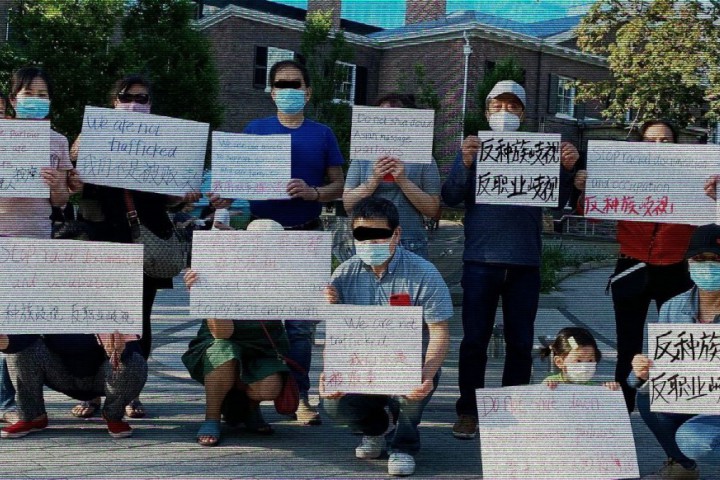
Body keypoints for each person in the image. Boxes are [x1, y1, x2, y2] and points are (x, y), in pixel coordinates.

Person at [441, 80, 579, 439]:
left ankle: (512, 410)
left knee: (521, 342)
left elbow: (558, 203)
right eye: (498, 107)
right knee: (474, 341)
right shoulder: (472, 147)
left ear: (523, 112)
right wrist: (467, 162)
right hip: (480, 260)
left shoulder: (539, 150)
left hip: (525, 263)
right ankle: (468, 411)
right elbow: (451, 196)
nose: (505, 113)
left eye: (512, 107)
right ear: (487, 112)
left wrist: (566, 170)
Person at [68, 75, 201, 419]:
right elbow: (73, 182)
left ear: (150, 105)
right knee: (96, 318)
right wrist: (77, 154)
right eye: (127, 97)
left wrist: (183, 196)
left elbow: (169, 197)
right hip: (100, 237)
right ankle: (92, 393)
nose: (134, 103)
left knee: (138, 318)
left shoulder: (163, 139)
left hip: (145, 238)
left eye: (142, 98)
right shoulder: (93, 133)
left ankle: (131, 392)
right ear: (114, 102)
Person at [237, 59, 345, 426]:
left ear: (308, 90)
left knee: (301, 325)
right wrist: (223, 197)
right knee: (258, 320)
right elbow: (233, 180)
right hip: (260, 238)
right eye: (281, 84)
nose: (288, 90)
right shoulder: (253, 130)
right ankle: (249, 399)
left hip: (306, 233)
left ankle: (298, 396)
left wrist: (314, 192)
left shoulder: (323, 133)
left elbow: (340, 185)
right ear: (271, 92)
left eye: (295, 84)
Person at [322, 197, 453, 477]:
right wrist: (330, 371)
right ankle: (376, 430)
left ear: (396, 234)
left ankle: (403, 445)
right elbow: (337, 333)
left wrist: (426, 373)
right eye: (362, 235)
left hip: (408, 363)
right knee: (332, 403)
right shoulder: (343, 274)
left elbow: (440, 332)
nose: (370, 243)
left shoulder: (424, 274)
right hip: (360, 365)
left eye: (378, 235)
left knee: (413, 393)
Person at [574, 120, 695, 413]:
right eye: (651, 140)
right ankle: (622, 411)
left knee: (677, 345)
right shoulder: (625, 174)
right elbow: (591, 215)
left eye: (665, 141)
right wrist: (585, 189)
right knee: (628, 346)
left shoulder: (692, 177)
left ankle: (674, 414)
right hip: (633, 266)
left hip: (676, 268)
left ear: (676, 145)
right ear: (640, 145)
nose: (658, 146)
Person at [0, 67, 71, 425]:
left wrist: (55, 182)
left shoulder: (57, 141)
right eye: (29, 94)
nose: (36, 101)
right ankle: (8, 400)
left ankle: (15, 401)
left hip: (36, 239)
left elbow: (60, 201)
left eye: (43, 95)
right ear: (13, 99)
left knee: (19, 321)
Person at [182, 219, 291, 446]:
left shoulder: (287, 275)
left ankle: (249, 408)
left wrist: (327, 297)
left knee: (269, 387)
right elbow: (223, 333)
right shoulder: (221, 270)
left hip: (264, 346)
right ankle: (212, 417)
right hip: (223, 342)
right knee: (224, 351)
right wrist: (205, 293)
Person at [628, 224, 720, 480]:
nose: (708, 266)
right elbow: (654, 365)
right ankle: (683, 466)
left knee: (695, 440)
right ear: (688, 262)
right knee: (647, 397)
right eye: (700, 259)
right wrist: (640, 370)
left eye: (716, 259)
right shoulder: (672, 307)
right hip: (694, 397)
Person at [342, 93, 441, 259]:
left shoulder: (425, 159)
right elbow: (348, 203)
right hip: (369, 241)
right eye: (383, 117)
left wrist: (403, 181)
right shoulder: (362, 157)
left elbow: (432, 208)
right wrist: (373, 180)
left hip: (410, 242)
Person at [0, 332, 147, 439]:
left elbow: (134, 352)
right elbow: (23, 337)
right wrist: (5, 341)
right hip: (61, 372)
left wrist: (119, 353)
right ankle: (31, 415)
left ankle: (113, 415)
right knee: (17, 350)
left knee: (134, 362)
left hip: (103, 376)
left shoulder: (114, 305)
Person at [540, 327, 619, 390]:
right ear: (560, 362)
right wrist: (546, 389)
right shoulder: (552, 382)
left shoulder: (595, 388)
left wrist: (611, 390)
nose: (585, 366)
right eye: (578, 360)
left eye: (590, 360)